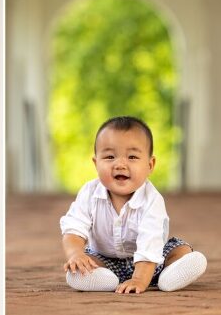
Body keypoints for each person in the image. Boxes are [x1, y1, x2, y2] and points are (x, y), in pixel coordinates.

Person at [60, 116, 207, 293]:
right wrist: (76, 255)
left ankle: (168, 275)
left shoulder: (152, 200)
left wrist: (139, 280)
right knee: (84, 264)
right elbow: (73, 229)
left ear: (150, 165)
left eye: (132, 157)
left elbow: (150, 241)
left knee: (180, 249)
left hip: (151, 262)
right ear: (96, 163)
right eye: (109, 156)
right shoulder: (89, 193)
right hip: (105, 260)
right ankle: (102, 279)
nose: (120, 164)